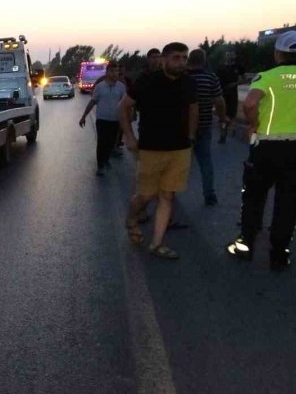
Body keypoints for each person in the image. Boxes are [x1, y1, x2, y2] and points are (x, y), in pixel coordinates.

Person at [226, 31, 296, 270]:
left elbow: (250, 102)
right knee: (288, 203)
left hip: (267, 147)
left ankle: (245, 246)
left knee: (254, 197)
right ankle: (279, 254)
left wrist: (254, 124)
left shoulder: (267, 77)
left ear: (277, 53)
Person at [120, 42, 198, 260]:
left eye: (184, 58)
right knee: (146, 195)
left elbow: (194, 107)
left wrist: (191, 135)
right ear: (164, 59)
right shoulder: (147, 82)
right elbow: (123, 107)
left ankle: (157, 243)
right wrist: (129, 137)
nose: (181, 62)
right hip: (151, 148)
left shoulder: (189, 83)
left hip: (180, 148)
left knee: (167, 195)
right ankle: (131, 218)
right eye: (176, 58)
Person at [186, 49, 228, 205]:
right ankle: (209, 194)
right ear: (204, 61)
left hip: (183, 126)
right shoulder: (211, 78)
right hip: (204, 124)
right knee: (205, 161)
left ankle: (170, 194)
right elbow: (219, 102)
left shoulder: (183, 77)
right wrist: (222, 119)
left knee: (180, 162)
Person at [80, 63, 126, 175]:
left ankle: (106, 160)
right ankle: (100, 166)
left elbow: (126, 103)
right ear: (107, 72)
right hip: (102, 120)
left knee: (111, 143)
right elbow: (92, 102)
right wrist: (84, 116)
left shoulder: (121, 87)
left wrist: (128, 116)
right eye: (112, 71)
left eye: (116, 71)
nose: (115, 74)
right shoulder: (100, 87)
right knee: (102, 143)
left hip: (115, 120)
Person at [216, 50, 246, 144]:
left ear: (235, 55)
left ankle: (230, 130)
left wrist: (235, 84)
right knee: (222, 116)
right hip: (221, 94)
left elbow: (244, 79)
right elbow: (215, 80)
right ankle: (223, 135)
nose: (230, 56)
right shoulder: (220, 67)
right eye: (228, 54)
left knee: (232, 115)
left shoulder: (239, 67)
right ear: (225, 55)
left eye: (232, 54)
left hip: (233, 94)